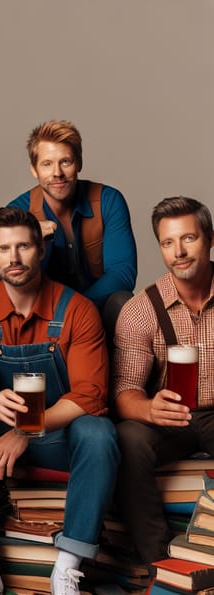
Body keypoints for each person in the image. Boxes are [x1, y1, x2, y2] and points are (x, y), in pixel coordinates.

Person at [0, 207, 119, 595]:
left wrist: (27, 429)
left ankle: (68, 570)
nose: (14, 257)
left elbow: (91, 396)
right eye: (4, 248)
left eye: (23, 245)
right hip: (3, 435)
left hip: (61, 435)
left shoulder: (77, 310)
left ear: (41, 250)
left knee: (99, 433)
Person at [113, 196, 214, 567]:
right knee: (128, 437)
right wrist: (149, 410)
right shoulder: (141, 310)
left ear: (211, 239)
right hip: (170, 419)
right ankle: (160, 564)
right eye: (168, 243)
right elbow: (124, 392)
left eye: (189, 239)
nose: (179, 252)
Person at [8, 120, 137, 338]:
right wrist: (37, 238)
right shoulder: (18, 212)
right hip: (42, 314)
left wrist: (76, 310)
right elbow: (19, 282)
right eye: (47, 164)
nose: (57, 173)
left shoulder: (108, 200)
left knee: (123, 302)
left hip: (98, 307)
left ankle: (124, 373)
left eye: (65, 161)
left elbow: (122, 273)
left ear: (78, 163)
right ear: (34, 169)